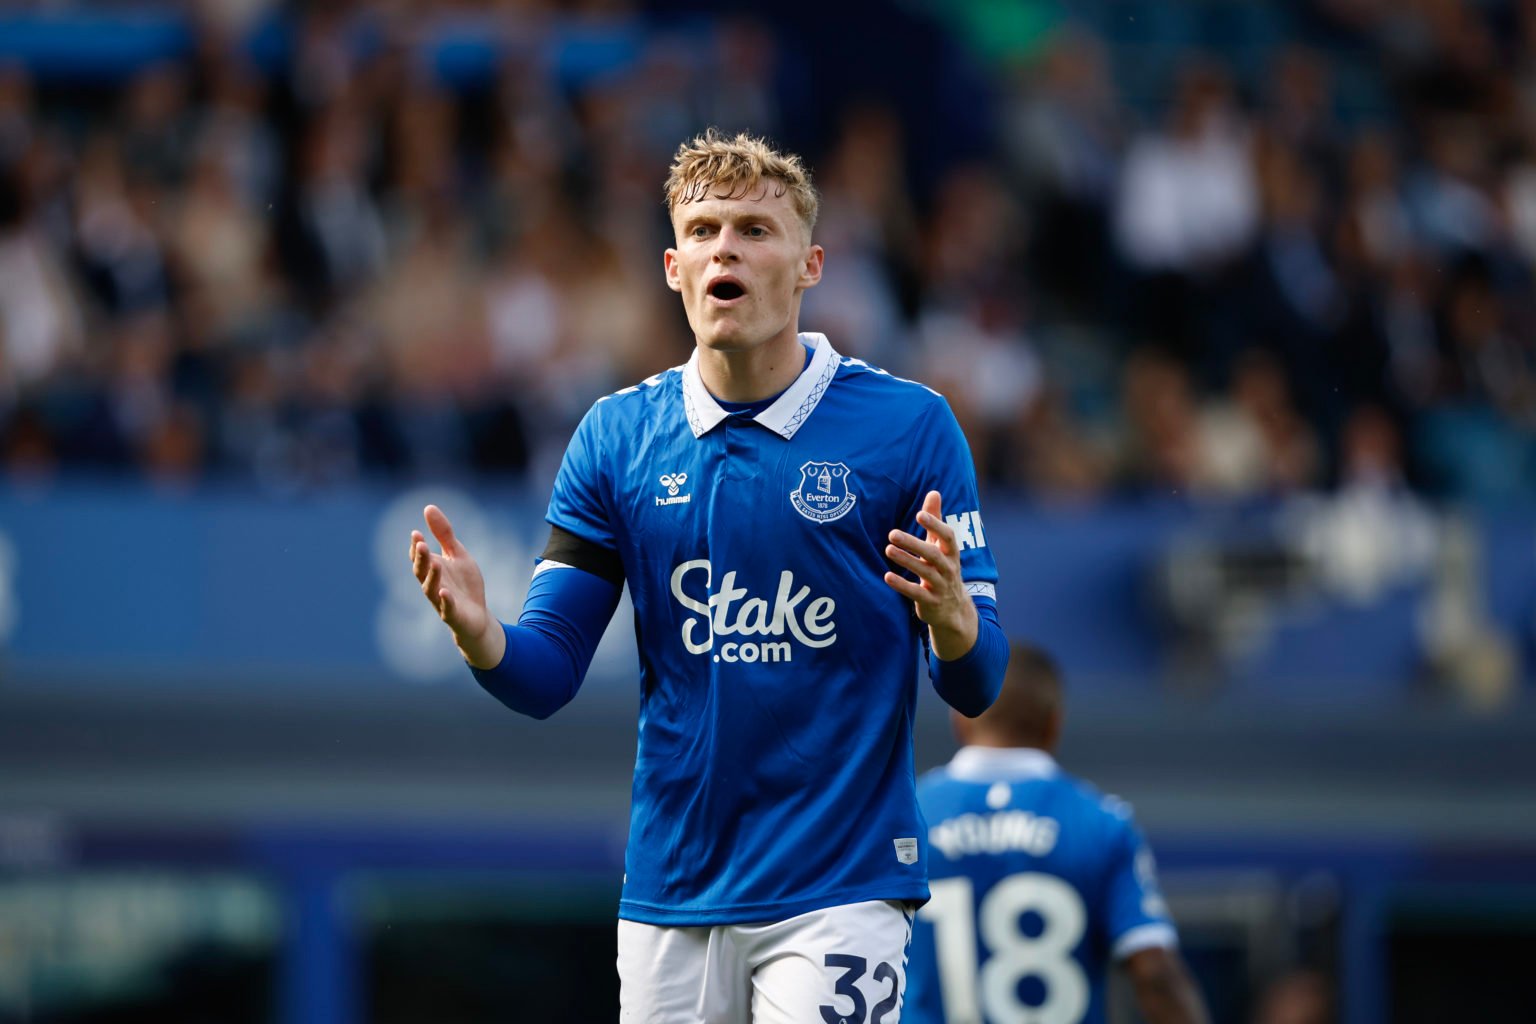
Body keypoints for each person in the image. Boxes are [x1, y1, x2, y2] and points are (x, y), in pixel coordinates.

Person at [408, 128, 1010, 1023]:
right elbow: (545, 676)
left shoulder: (909, 428)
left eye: (754, 231)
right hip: (670, 897)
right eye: (703, 231)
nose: (725, 246)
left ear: (809, 266)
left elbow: (981, 678)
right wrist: (481, 635)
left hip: (839, 885)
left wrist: (956, 620)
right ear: (672, 266)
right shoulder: (616, 439)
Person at [905, 645, 1209, 1024]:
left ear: (960, 721)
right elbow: (1155, 975)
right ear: (1054, 723)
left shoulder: (909, 813)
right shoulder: (1100, 822)